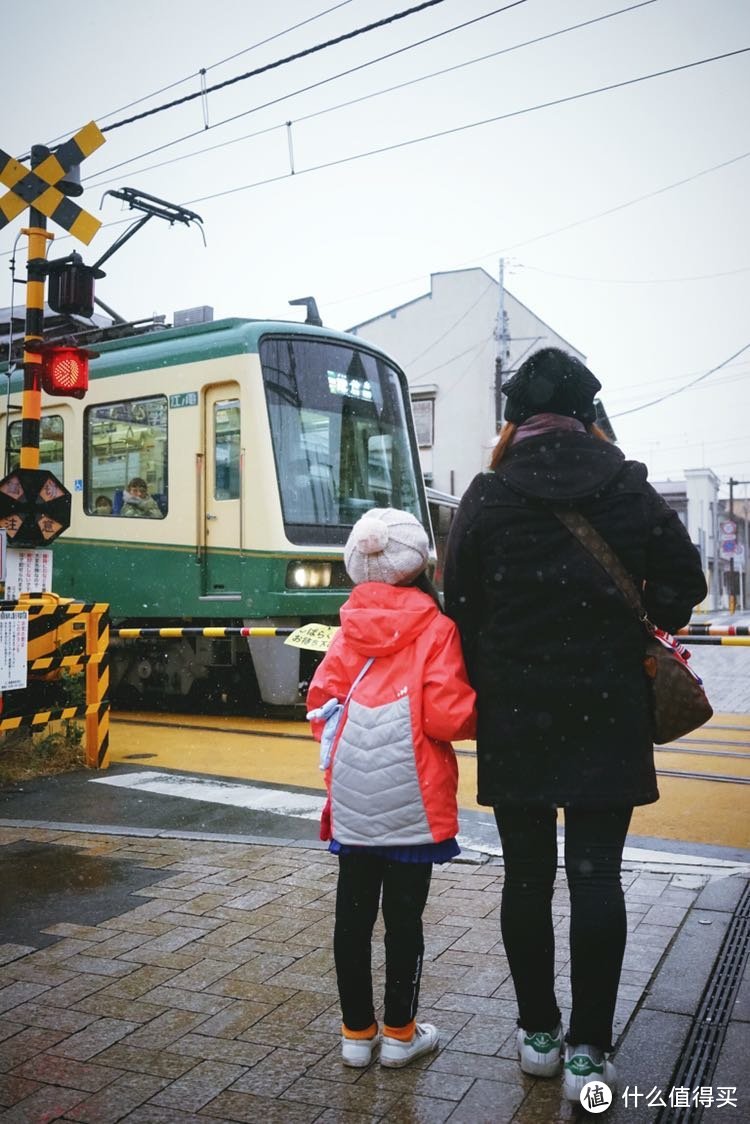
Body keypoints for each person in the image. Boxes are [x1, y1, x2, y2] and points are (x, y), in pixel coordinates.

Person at [443, 348, 707, 1102]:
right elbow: (684, 589)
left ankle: (537, 1035)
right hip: (607, 708)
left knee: (525, 877)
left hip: (518, 712)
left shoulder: (489, 496)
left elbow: (456, 606)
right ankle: (591, 1049)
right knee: (596, 876)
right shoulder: (626, 485)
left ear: (515, 419)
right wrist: (635, 617)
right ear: (590, 414)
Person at [307, 508, 476, 1070]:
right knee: (405, 921)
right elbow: (448, 719)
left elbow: (320, 705)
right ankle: (402, 1034)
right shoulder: (437, 628)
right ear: (421, 562)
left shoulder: (348, 627)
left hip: (356, 796)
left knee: (351, 918)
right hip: (414, 798)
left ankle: (357, 1034)